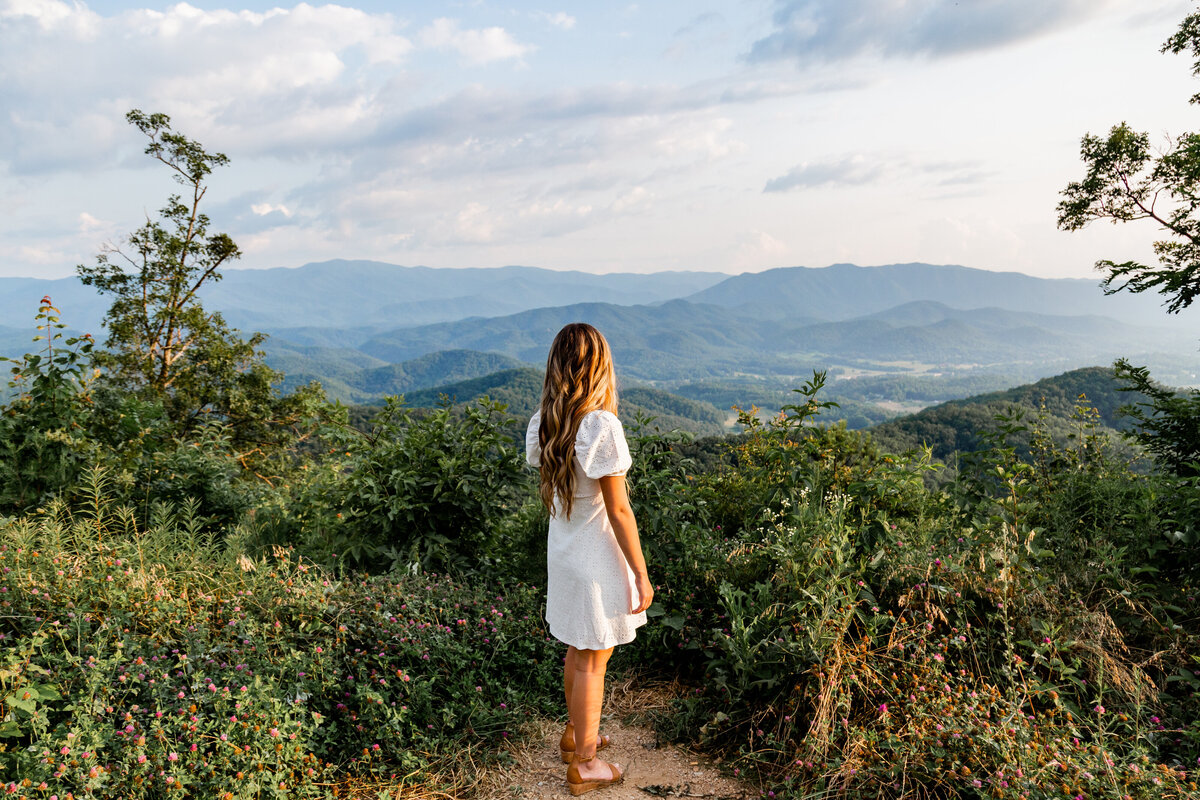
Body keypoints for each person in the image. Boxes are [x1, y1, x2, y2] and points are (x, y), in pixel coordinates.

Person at [525, 322, 654, 796]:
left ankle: (575, 735)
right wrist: (640, 574)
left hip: (563, 553)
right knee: (593, 661)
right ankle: (586, 762)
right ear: (599, 367)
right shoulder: (600, 425)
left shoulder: (544, 421)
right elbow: (618, 509)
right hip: (596, 558)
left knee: (578, 651)